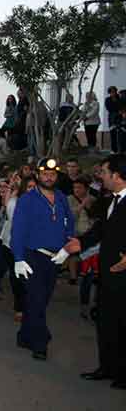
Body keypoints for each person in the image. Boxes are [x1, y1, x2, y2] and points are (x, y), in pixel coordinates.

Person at [11, 158, 77, 361]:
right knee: (37, 299)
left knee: (40, 300)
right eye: (45, 174)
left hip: (54, 258)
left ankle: (24, 335)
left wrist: (67, 248)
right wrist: (18, 258)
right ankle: (41, 342)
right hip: (33, 256)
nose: (49, 177)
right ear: (37, 175)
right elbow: (18, 230)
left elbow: (69, 224)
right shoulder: (28, 199)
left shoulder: (61, 197)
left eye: (53, 174)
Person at [77, 154, 126, 390]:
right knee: (106, 321)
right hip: (107, 274)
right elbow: (99, 231)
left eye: (104, 172)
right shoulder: (110, 200)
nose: (101, 176)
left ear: (117, 176)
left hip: (124, 275)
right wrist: (78, 243)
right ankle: (107, 367)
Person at [105, 86, 121, 153]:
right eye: (111, 92)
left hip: (120, 118)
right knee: (113, 134)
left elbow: (121, 106)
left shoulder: (119, 98)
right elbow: (109, 108)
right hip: (112, 118)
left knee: (120, 134)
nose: (113, 93)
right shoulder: (108, 99)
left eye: (114, 92)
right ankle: (114, 150)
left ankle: (121, 149)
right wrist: (117, 110)